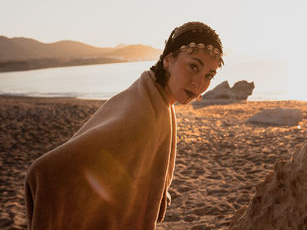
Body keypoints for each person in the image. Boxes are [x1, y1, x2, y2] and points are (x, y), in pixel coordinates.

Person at [24, 21, 224, 230]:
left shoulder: (150, 96)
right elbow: (45, 170)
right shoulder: (142, 114)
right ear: (168, 60)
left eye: (208, 75)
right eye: (193, 67)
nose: (199, 83)